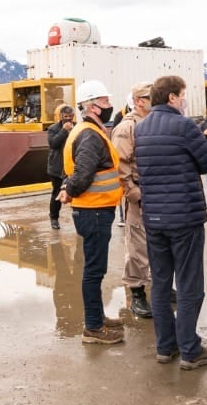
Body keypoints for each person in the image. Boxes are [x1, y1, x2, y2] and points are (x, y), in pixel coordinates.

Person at [134, 75, 207, 370]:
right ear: (171, 98)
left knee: (159, 283)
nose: (184, 100)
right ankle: (190, 350)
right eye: (182, 95)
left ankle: (164, 346)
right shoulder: (184, 126)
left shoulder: (141, 128)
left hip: (154, 217)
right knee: (189, 284)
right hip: (184, 217)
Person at [58, 80, 125, 345]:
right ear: (92, 106)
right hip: (94, 209)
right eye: (105, 101)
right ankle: (93, 328)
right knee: (94, 270)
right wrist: (71, 189)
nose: (110, 105)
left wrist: (67, 188)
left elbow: (73, 171)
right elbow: (83, 173)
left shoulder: (84, 130)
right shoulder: (88, 134)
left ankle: (97, 317)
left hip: (94, 208)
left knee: (94, 268)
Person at [111, 82, 153, 319]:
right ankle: (137, 293)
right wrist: (133, 192)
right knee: (137, 245)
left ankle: (162, 286)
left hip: (157, 195)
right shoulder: (128, 127)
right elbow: (119, 164)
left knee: (159, 244)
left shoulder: (154, 123)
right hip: (139, 195)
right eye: (149, 97)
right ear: (138, 100)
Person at [46, 103, 75, 230]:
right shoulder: (53, 128)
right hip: (57, 168)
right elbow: (53, 144)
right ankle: (54, 218)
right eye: (65, 116)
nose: (68, 119)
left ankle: (78, 217)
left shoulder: (78, 127)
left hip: (72, 167)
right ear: (61, 117)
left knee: (75, 192)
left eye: (70, 116)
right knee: (57, 193)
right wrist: (64, 130)